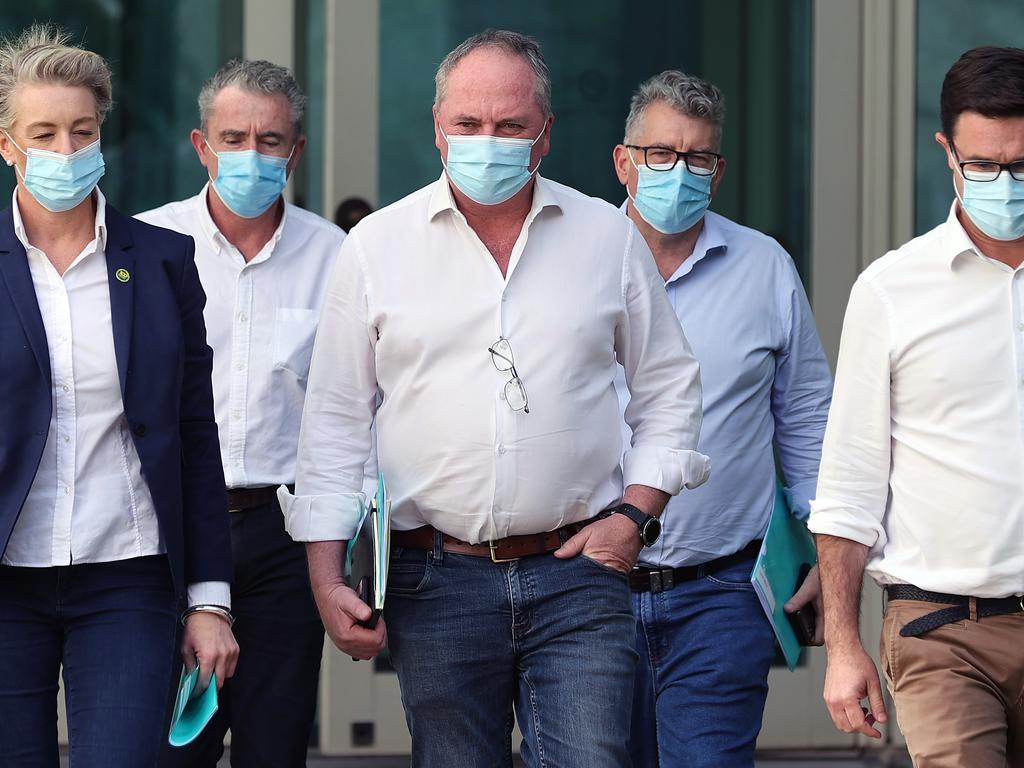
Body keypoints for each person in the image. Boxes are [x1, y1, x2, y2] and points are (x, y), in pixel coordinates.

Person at [284, 29, 709, 768]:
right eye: (469, 124)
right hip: (434, 578)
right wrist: (325, 578)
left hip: (580, 571)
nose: (489, 141)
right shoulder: (377, 248)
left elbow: (670, 389)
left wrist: (635, 515)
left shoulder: (607, 238)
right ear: (438, 129)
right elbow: (335, 423)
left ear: (544, 136)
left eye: (511, 126)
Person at [0, 25, 237, 768]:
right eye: (43, 133)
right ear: (7, 145)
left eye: (82, 130)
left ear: (102, 136)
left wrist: (209, 600)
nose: (65, 151)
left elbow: (195, 437)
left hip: (128, 576)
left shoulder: (163, 260)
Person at [809, 46, 1024, 768]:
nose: (1003, 183)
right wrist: (843, 647)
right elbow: (848, 488)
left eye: (1022, 166)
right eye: (983, 165)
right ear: (947, 152)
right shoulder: (892, 291)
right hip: (940, 628)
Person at [612, 70, 832, 768]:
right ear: (624, 161)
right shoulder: (572, 259)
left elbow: (804, 414)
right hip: (584, 595)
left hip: (721, 592)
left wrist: (830, 548)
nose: (679, 172)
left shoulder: (763, 266)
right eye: (660, 154)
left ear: (719, 170)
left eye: (698, 157)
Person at [137, 59, 343, 768]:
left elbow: (353, 411)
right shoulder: (147, 247)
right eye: (234, 138)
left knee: (275, 746)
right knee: (168, 746)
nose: (251, 157)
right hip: (172, 533)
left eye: (271, 140)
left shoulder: (339, 258)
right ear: (201, 146)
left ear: (296, 150)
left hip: (285, 536)